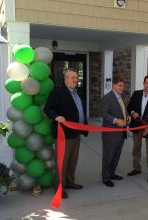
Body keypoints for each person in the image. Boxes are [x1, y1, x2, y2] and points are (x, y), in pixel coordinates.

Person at [43, 68, 88, 199]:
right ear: (65, 78)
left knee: (73, 160)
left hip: (76, 133)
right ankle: (59, 187)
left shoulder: (77, 92)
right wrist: (56, 117)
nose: (75, 80)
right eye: (73, 77)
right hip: (63, 134)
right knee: (62, 162)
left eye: (76, 77)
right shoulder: (58, 92)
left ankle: (70, 182)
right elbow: (48, 109)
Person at [127, 75, 148, 183]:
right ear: (144, 83)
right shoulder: (136, 94)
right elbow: (129, 108)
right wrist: (132, 113)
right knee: (136, 149)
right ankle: (136, 168)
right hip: (137, 126)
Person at [100, 76, 128, 187]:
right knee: (108, 155)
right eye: (119, 85)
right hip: (110, 133)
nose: (122, 87)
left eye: (123, 85)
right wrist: (116, 121)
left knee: (116, 155)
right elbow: (103, 113)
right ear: (113, 85)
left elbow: (122, 111)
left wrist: (127, 116)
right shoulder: (108, 98)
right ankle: (106, 178)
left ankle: (112, 173)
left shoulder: (120, 97)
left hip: (121, 133)